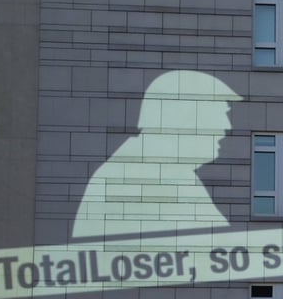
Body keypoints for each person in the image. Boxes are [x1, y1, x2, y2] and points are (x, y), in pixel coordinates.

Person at [71, 70, 242, 240]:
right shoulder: (133, 176)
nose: (226, 127)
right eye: (218, 114)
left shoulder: (174, 174)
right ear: (182, 117)